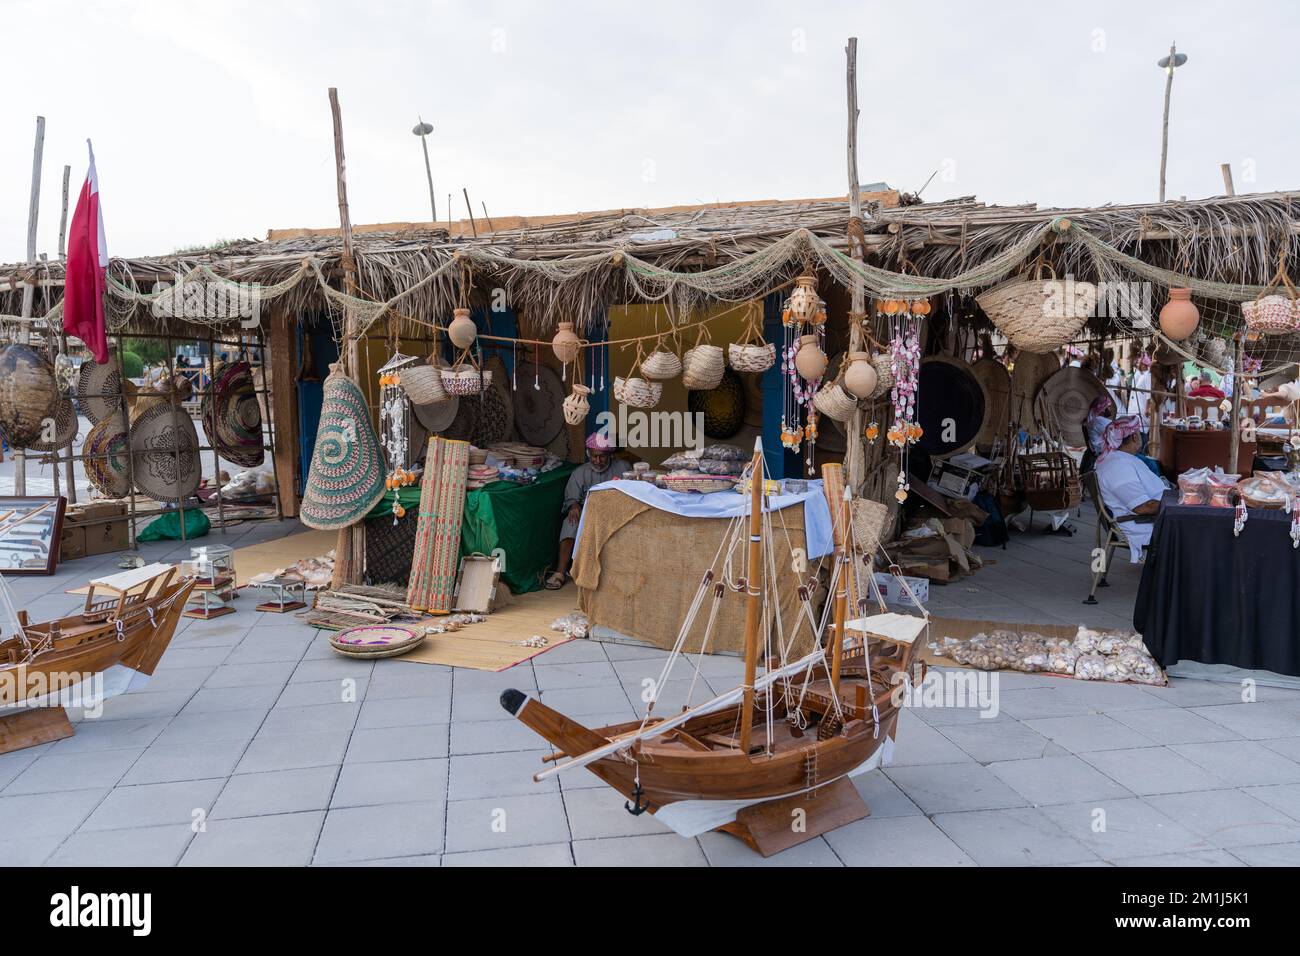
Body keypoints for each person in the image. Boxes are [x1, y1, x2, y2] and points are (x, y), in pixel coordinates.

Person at [546, 430, 618, 589]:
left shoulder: (622, 467)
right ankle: (560, 572)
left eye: (602, 456)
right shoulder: (580, 472)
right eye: (594, 456)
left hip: (615, 512)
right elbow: (572, 497)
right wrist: (574, 505)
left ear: (610, 455)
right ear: (588, 454)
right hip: (588, 512)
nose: (598, 460)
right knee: (570, 523)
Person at [1095, 415, 1166, 562]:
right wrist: (1179, 504)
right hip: (1143, 525)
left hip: (1153, 518)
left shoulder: (1121, 459)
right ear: (1134, 436)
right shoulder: (1118, 466)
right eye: (1139, 433)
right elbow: (1143, 507)